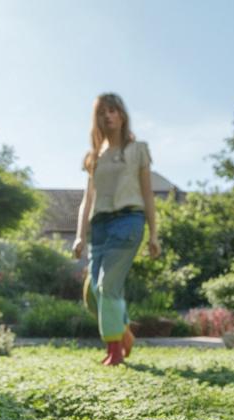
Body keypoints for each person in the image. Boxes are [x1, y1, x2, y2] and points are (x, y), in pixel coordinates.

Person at [72, 92, 161, 367]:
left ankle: (114, 352)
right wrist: (79, 235)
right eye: (102, 112)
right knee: (94, 292)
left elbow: (148, 194)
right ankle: (123, 330)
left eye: (112, 110)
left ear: (122, 115)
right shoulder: (93, 157)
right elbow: (87, 198)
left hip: (128, 221)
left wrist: (154, 234)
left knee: (107, 286)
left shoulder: (137, 150)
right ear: (96, 119)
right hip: (99, 226)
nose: (107, 116)